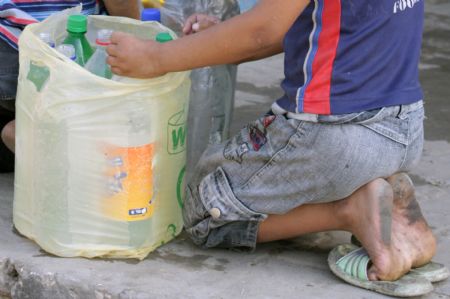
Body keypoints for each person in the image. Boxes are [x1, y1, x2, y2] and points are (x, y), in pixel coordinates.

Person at [107, 0, 438, 290]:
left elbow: (263, 29)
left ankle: (350, 211)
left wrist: (156, 57)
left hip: (334, 135)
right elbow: (307, 22)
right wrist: (221, 36)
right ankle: (397, 222)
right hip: (403, 128)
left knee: (202, 210)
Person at [0, 0, 140, 172]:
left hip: (9, 41)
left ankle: (35, 137)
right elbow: (121, 5)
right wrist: (133, 35)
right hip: (71, 43)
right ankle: (64, 153)